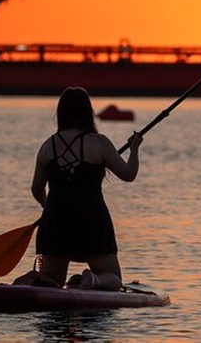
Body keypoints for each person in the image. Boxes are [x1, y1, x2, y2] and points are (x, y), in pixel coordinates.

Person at [29, 87, 143, 290]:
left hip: (55, 220)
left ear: (61, 113)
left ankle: (37, 281)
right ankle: (95, 280)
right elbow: (128, 174)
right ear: (87, 112)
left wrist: (48, 208)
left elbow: (37, 189)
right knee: (113, 279)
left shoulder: (48, 146)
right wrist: (134, 149)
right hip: (92, 219)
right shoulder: (100, 143)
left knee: (51, 284)